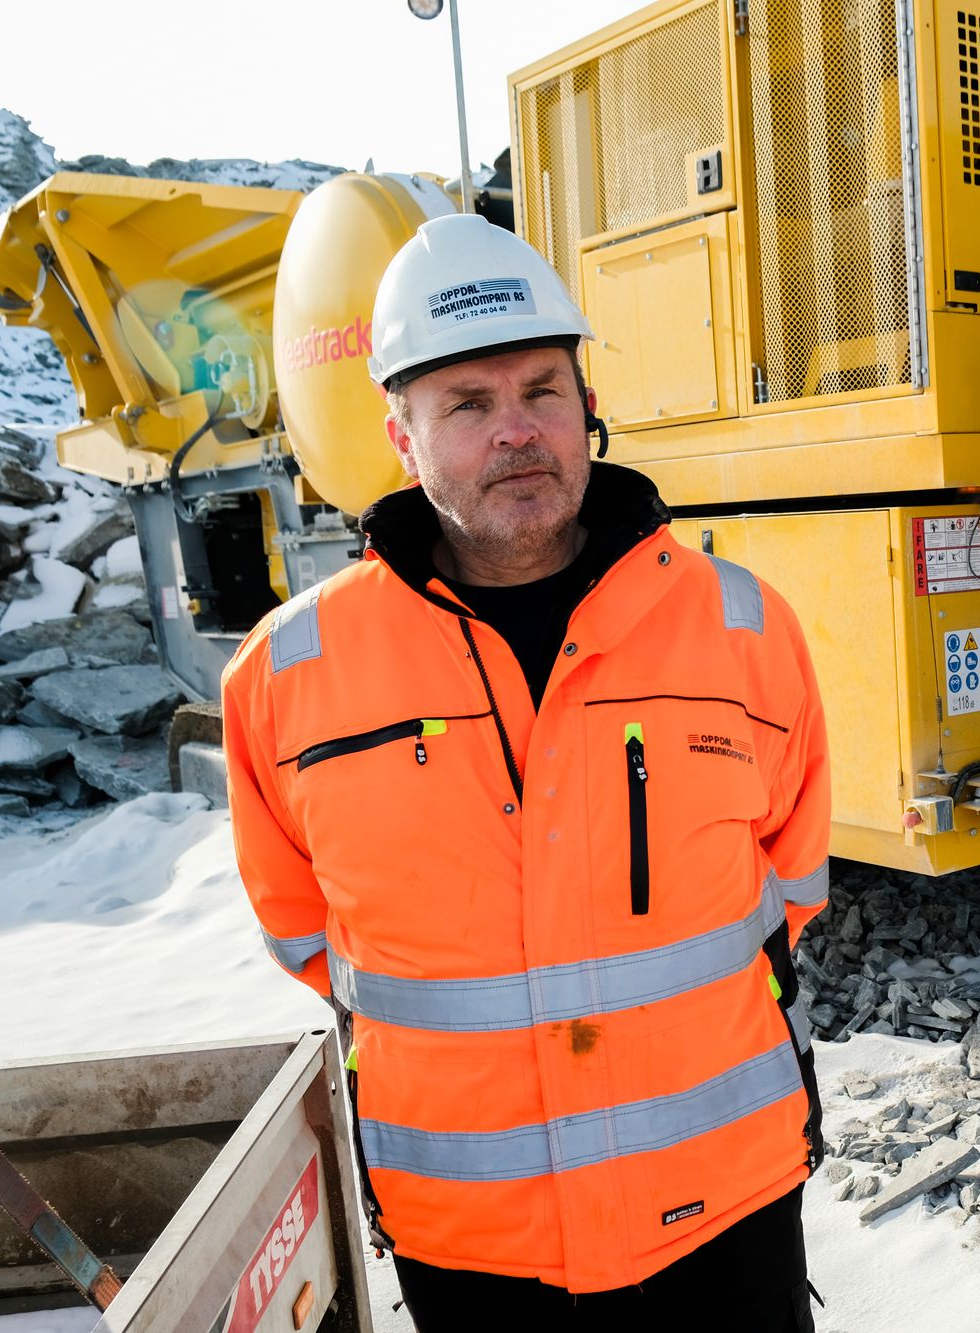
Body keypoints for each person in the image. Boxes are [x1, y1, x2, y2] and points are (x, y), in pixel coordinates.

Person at [220, 212, 830, 1329]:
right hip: (475, 1237)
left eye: (542, 390)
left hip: (724, 1210)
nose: (517, 432)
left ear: (586, 406)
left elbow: (788, 882)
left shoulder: (740, 627)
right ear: (399, 435)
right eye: (466, 403)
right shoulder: (286, 674)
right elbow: (307, 937)